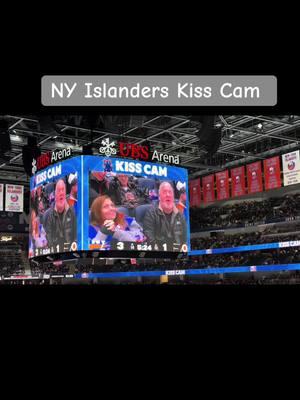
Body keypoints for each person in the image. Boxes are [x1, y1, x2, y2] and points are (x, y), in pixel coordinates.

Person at [143, 181, 187, 251]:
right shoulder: (151, 214)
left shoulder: (180, 215)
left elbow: (185, 237)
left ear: (173, 196)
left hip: (177, 252)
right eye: (164, 192)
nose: (168, 195)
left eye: (170, 192)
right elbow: (149, 236)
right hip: (159, 253)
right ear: (159, 197)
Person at [43, 178, 77, 253]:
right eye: (59, 190)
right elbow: (47, 236)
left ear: (65, 193)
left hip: (70, 253)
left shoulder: (73, 211)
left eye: (63, 190)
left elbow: (76, 234)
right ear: (55, 194)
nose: (61, 193)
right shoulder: (47, 214)